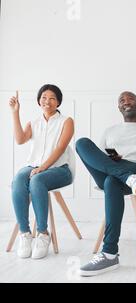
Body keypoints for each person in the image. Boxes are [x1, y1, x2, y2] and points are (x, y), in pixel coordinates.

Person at [76, 80, 136, 276]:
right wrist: (113, 159)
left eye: (131, 98)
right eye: (122, 100)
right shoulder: (110, 131)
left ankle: (109, 254)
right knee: (82, 143)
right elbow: (99, 159)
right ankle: (127, 177)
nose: (126, 101)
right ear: (119, 107)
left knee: (112, 181)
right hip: (118, 171)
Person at [9, 84, 74, 259]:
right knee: (18, 180)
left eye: (52, 98)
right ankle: (25, 233)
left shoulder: (66, 121)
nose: (47, 101)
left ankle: (43, 234)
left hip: (60, 170)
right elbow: (20, 139)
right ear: (39, 101)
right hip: (34, 166)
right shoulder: (34, 123)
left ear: (58, 102)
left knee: (37, 180)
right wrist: (15, 112)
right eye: (44, 97)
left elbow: (60, 148)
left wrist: (42, 168)